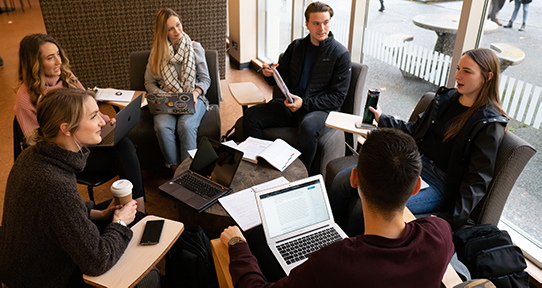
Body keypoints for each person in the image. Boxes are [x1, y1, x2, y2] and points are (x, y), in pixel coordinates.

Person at [220, 128, 454, 287]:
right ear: (416, 187)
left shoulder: (332, 263)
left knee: (256, 241)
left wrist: (237, 245)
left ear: (354, 179)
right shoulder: (440, 235)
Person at [328, 48, 509, 236]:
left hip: (438, 183)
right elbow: (415, 130)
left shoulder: (488, 124)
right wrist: (382, 119)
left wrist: (452, 220)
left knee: (364, 208)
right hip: (410, 162)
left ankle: (350, 253)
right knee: (341, 180)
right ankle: (329, 236)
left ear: (487, 77)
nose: (457, 75)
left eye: (467, 71)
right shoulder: (445, 99)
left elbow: (477, 179)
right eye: (458, 68)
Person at [0, 88, 138, 287]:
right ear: (66, 129)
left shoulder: (31, 156)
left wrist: (100, 214)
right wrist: (120, 224)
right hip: (43, 280)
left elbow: (56, 214)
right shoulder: (54, 184)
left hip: (22, 268)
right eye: (93, 117)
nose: (102, 121)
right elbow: (98, 261)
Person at [14, 33, 146, 213]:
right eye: (50, 58)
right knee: (123, 152)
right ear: (34, 63)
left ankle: (139, 207)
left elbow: (91, 109)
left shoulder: (68, 77)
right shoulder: (25, 98)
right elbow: (36, 143)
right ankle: (131, 211)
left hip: (85, 143)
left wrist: (105, 122)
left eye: (58, 54)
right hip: (66, 156)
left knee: (123, 144)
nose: (59, 61)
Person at [242, 1, 351, 173]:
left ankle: (300, 176)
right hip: (290, 103)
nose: (322, 28)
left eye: (326, 22)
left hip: (318, 109)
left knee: (307, 127)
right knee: (251, 116)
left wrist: (304, 103)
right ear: (307, 24)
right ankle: (259, 167)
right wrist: (268, 73)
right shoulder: (297, 46)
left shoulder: (340, 55)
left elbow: (337, 98)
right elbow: (277, 77)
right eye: (316, 23)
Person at [145, 7, 211, 172]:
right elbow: (149, 83)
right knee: (161, 127)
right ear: (163, 32)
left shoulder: (195, 48)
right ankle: (175, 169)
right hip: (167, 100)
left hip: (192, 98)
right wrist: (163, 94)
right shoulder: (156, 53)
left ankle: (188, 170)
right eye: (171, 28)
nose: (177, 31)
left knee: (186, 126)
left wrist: (195, 94)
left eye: (178, 25)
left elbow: (205, 80)